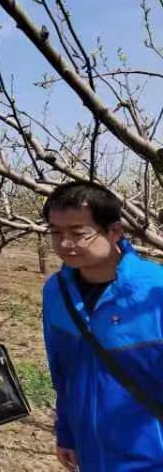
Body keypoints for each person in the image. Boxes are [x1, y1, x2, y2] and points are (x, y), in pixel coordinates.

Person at [41, 182, 163, 471]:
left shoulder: (155, 291)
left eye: (78, 233)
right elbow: (62, 372)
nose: (65, 244)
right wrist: (66, 432)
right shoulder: (56, 291)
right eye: (56, 233)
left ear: (115, 231)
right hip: (91, 453)